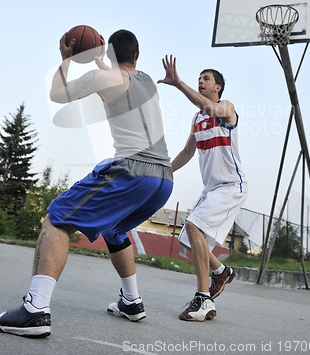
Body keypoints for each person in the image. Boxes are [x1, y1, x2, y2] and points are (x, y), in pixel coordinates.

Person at [0, 29, 173, 338]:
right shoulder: (147, 81)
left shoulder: (102, 77)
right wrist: (103, 60)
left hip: (132, 171)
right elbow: (121, 78)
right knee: (114, 229)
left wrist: (66, 60)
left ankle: (35, 310)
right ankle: (131, 301)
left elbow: (57, 93)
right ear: (137, 55)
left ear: (109, 54)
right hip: (163, 180)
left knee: (57, 218)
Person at [158, 55, 247, 322]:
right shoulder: (198, 119)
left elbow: (211, 109)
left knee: (194, 227)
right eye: (199, 79)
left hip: (231, 186)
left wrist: (179, 83)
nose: (201, 82)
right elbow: (187, 151)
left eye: (205, 78)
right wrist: (164, 171)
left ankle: (203, 299)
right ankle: (221, 272)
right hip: (211, 190)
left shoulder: (226, 109)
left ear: (217, 87)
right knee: (189, 238)